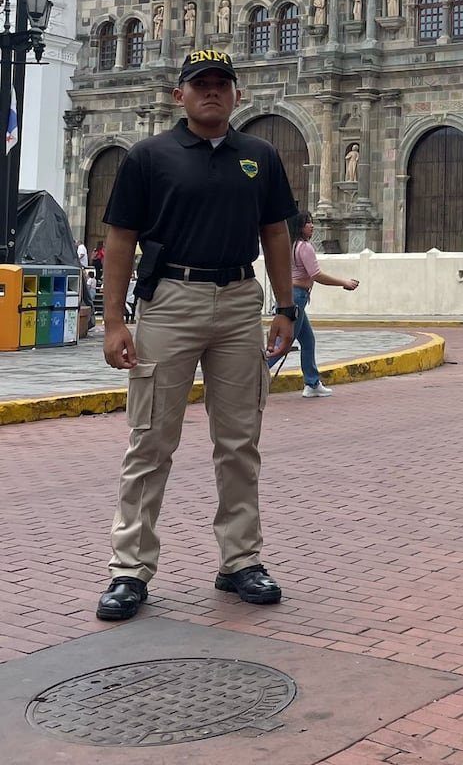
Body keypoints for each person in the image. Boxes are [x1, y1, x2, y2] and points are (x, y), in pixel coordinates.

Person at [94, 48, 298, 622]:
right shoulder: (147, 157)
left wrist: (285, 308)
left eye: (221, 84)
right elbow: (119, 240)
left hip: (238, 302)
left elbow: (276, 234)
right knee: (151, 440)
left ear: (237, 95)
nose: (211, 92)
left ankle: (241, 559)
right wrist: (114, 322)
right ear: (178, 95)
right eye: (199, 84)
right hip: (169, 303)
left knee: (239, 441)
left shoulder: (259, 156)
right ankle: (130, 569)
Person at [266, 210, 359, 396]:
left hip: (291, 296)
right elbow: (316, 275)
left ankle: (312, 382)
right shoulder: (305, 247)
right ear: (300, 227)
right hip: (298, 298)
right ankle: (251, 377)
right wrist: (344, 282)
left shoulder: (290, 245)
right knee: (282, 343)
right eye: (308, 223)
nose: (312, 226)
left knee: (307, 341)